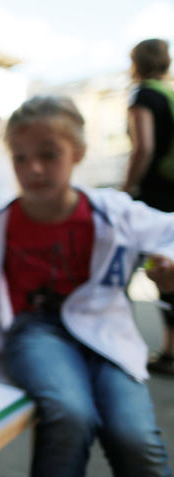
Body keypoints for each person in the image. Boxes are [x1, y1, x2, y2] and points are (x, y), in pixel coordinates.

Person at [0, 94, 174, 477]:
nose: (34, 169)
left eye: (49, 155)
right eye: (21, 158)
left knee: (134, 436)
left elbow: (170, 230)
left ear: (78, 154)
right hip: (35, 331)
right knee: (69, 413)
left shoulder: (113, 211)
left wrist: (168, 259)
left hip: (107, 329)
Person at [124, 38, 174, 375]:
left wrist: (127, 188)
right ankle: (171, 352)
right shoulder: (171, 94)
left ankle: (115, 343)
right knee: (168, 273)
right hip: (172, 196)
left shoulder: (143, 95)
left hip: (152, 198)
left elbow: (144, 146)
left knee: (120, 270)